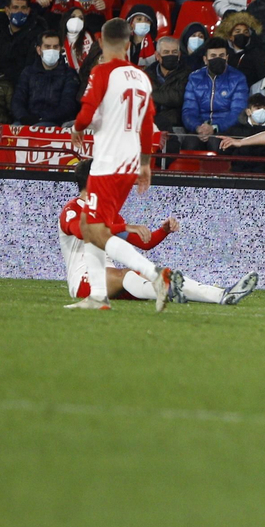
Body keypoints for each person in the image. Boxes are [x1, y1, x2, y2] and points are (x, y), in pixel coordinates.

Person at [66, 18, 180, 311]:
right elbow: (146, 124)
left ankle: (154, 275)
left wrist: (77, 127)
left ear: (102, 43)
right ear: (130, 45)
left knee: (96, 229)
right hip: (130, 163)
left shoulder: (102, 71)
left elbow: (88, 109)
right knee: (90, 226)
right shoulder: (142, 77)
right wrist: (145, 164)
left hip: (107, 162)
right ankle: (98, 297)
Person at [59, 161, 255, 308]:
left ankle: (221, 295)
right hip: (83, 281)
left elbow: (145, 243)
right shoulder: (73, 209)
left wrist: (163, 231)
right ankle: (169, 290)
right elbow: (82, 231)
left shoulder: (108, 213)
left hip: (112, 279)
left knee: (159, 275)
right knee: (126, 274)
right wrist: (124, 228)